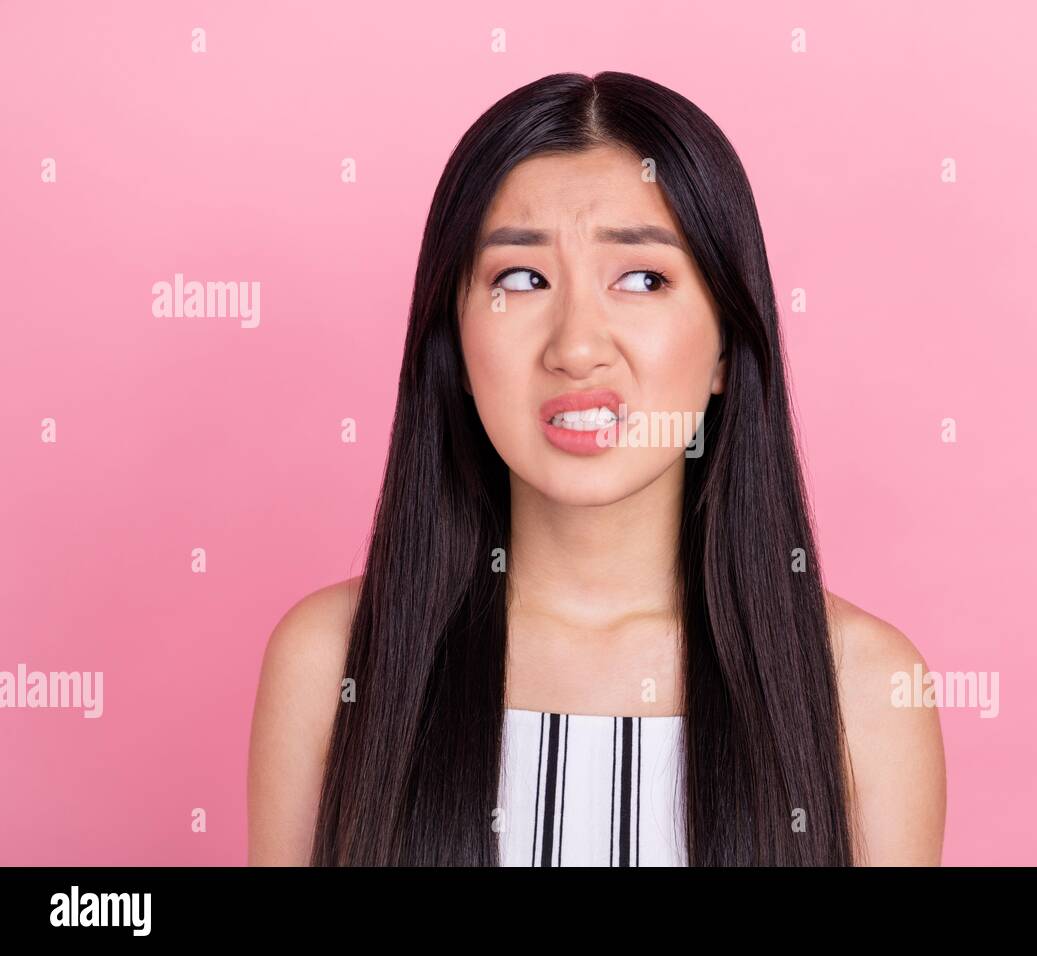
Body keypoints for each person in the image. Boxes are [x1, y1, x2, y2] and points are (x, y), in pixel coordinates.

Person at [248, 71, 945, 866]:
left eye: (643, 279)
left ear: (725, 342)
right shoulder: (332, 662)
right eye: (521, 278)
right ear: (458, 344)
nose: (576, 347)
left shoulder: (864, 689)